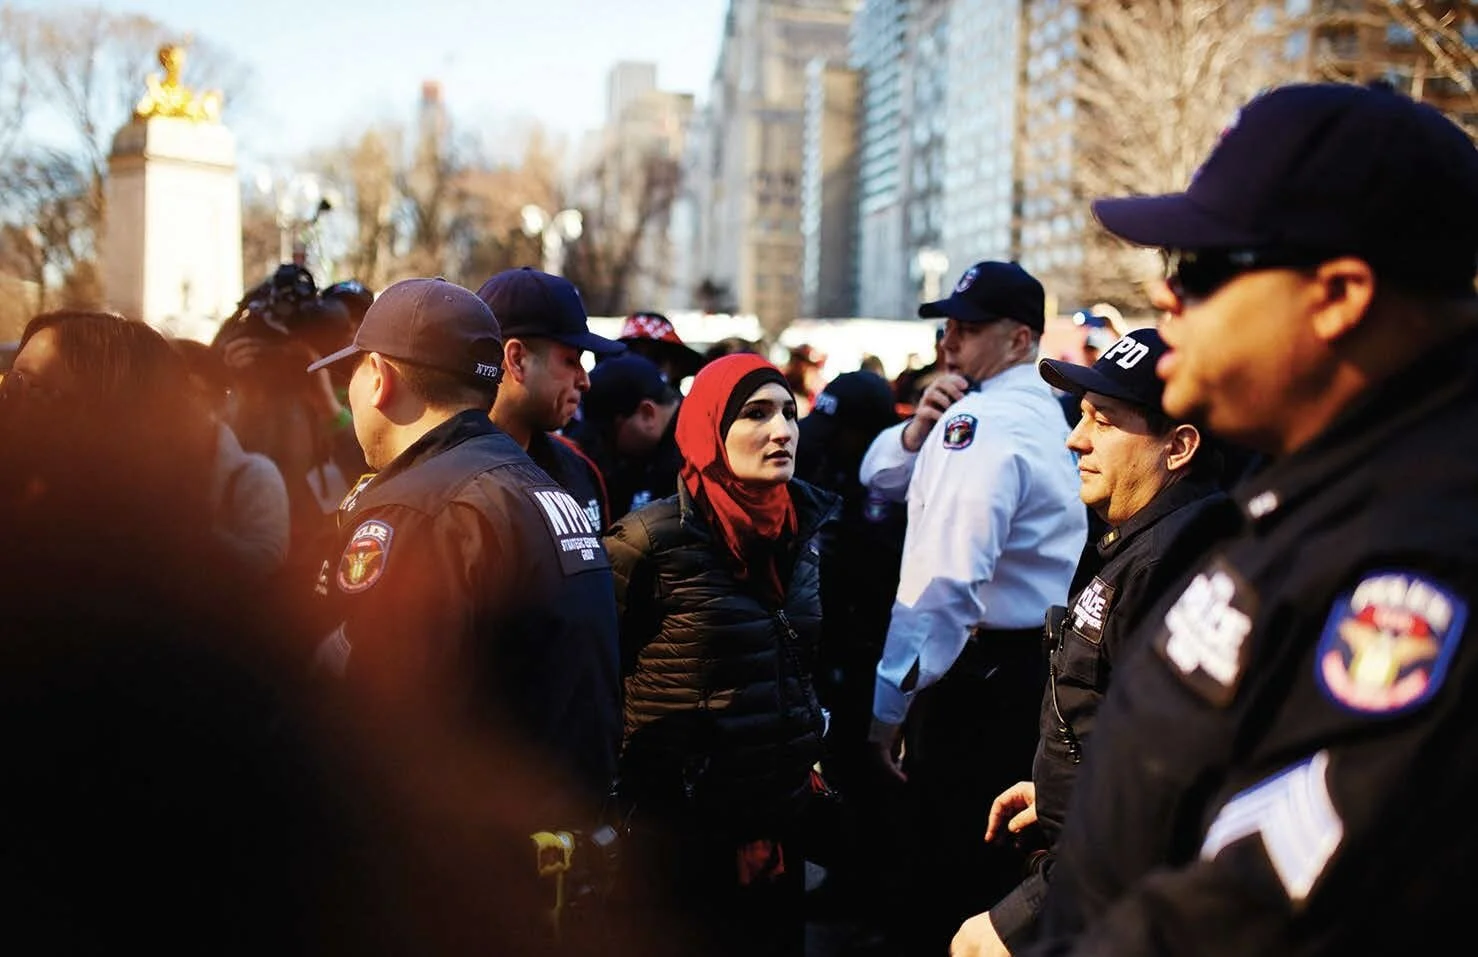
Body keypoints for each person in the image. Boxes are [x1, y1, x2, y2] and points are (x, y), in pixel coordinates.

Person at [1024, 82, 1478, 956]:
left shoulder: (1430, 547)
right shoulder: (1322, 483)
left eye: (1200, 267)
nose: (1164, 293)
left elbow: (1263, 906)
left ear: (1338, 294)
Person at [949, 327, 1233, 957]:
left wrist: (1026, 916)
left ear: (1180, 445)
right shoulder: (1136, 538)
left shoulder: (1178, 559)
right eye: (1080, 416)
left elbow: (1162, 800)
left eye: (1103, 421)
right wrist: (1056, 787)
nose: (1076, 438)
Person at [304, 277, 621, 815]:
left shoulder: (416, 507)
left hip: (460, 862)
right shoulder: (542, 484)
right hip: (553, 844)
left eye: (351, 374)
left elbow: (369, 721)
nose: (347, 395)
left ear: (379, 377)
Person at [859, 260, 1087, 957]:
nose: (949, 339)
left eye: (969, 326)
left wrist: (889, 705)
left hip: (972, 677)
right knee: (996, 877)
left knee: (943, 883)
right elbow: (881, 475)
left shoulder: (982, 420)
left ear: (1020, 339)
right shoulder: (1041, 411)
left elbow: (943, 585)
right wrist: (918, 428)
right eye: (947, 324)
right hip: (1030, 669)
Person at [602, 353, 840, 957]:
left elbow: (796, 662)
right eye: (756, 414)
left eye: (789, 411)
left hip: (780, 826)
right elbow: (594, 674)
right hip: (679, 840)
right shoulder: (648, 542)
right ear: (709, 427)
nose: (782, 429)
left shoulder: (804, 530)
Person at [476, 267, 624, 533]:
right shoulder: (440, 478)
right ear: (517, 360)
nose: (584, 380)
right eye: (570, 360)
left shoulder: (578, 468)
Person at [173, 336, 293, 581]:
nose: (178, 406)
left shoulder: (255, 473)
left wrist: (188, 530)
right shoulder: (147, 462)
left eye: (191, 394)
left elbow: (267, 558)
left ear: (218, 401)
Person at [576, 351, 683, 521]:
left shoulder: (692, 462)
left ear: (647, 414)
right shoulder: (648, 456)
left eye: (608, 435)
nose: (604, 447)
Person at [617, 311, 706, 388]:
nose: (643, 367)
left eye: (655, 357)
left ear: (676, 366)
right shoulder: (606, 404)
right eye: (633, 356)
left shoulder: (687, 407)